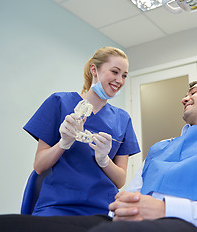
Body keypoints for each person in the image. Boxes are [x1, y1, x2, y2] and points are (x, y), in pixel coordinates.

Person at [0, 78, 197, 232]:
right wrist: (117, 197)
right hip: (116, 223)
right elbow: (127, 197)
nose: (184, 98)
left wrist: (167, 207)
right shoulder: (161, 149)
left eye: (194, 92)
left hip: (187, 224)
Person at [22, 46, 140, 216]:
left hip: (102, 209)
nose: (120, 80)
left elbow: (120, 180)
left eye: (124, 75)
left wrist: (104, 159)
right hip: (57, 206)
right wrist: (63, 143)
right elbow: (39, 166)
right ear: (94, 69)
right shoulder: (59, 102)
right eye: (115, 72)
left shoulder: (122, 119)